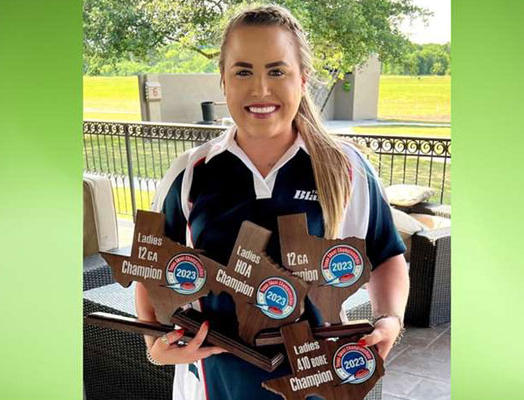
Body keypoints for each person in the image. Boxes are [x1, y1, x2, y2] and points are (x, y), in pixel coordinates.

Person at [135, 5, 409, 400]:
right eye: (243, 71)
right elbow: (149, 264)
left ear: (303, 79)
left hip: (321, 383)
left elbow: (386, 256)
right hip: (216, 386)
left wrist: (389, 320)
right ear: (224, 82)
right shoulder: (191, 172)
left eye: (277, 71)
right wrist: (153, 345)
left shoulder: (346, 168)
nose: (260, 89)